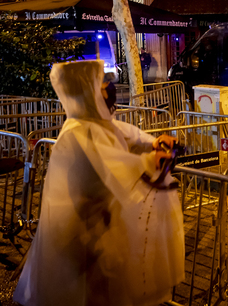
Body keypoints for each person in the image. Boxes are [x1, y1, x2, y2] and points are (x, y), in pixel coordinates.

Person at [13, 60, 184, 306]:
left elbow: (127, 134)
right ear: (86, 89)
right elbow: (115, 164)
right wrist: (149, 161)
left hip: (101, 231)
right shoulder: (79, 131)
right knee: (84, 295)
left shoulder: (97, 124)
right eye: (101, 81)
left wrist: (153, 142)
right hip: (82, 237)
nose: (108, 85)